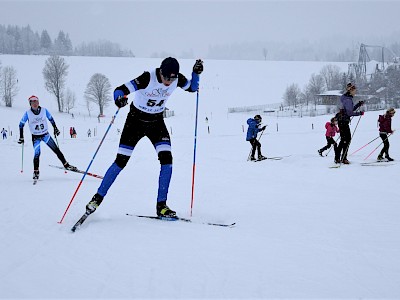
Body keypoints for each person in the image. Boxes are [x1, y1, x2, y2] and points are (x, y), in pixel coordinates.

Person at [84, 57, 203, 218]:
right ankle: (96, 199)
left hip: (156, 123)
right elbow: (120, 90)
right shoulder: (147, 78)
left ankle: (162, 206)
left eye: (172, 78)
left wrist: (196, 73)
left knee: (167, 160)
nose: (169, 82)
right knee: (120, 162)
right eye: (167, 77)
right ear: (161, 72)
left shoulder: (177, 79)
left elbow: (193, 87)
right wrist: (118, 99)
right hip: (135, 122)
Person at [18, 95, 77, 180]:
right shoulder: (28, 113)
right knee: (37, 154)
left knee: (56, 150)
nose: (35, 104)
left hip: (46, 135)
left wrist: (55, 128)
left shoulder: (44, 110)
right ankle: (36, 171)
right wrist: (21, 137)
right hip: (35, 137)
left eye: (36, 102)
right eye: (33, 102)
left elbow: (51, 119)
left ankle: (66, 165)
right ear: (30, 103)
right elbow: (21, 124)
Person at [334, 83, 364, 164]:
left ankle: (338, 158)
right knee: (346, 140)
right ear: (350, 91)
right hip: (343, 122)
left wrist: (358, 105)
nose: (355, 92)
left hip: (342, 121)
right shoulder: (348, 100)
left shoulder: (346, 98)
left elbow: (349, 110)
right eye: (354, 91)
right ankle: (343, 158)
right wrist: (359, 113)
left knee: (344, 140)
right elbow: (350, 113)